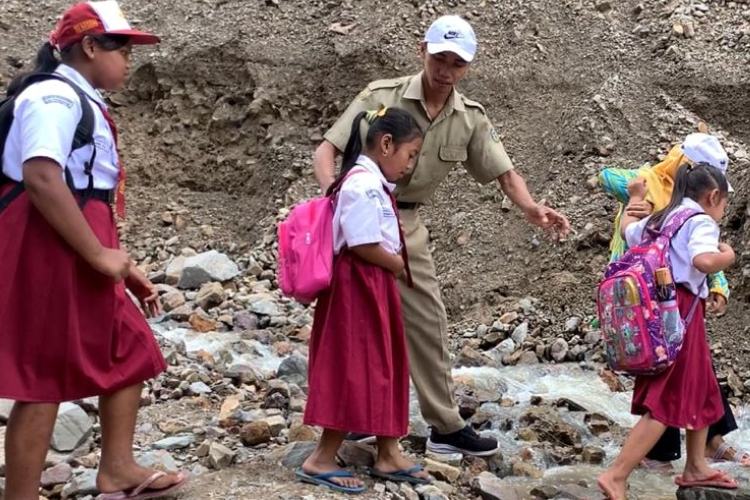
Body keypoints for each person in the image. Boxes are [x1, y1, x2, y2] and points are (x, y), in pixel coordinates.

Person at [313, 14, 570, 457]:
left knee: (428, 322)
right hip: (358, 221)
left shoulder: (467, 119)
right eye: (439, 58)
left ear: (468, 67)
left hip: (406, 226)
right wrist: (331, 199)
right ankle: (350, 421)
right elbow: (327, 149)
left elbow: (503, 172)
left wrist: (531, 208)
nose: (445, 70)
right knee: (355, 325)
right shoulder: (381, 96)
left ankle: (445, 426)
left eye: (456, 63)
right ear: (422, 50)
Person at [0, 2, 187, 499]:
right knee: (42, 373)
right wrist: (99, 256)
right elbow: (42, 177)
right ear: (88, 46)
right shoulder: (55, 99)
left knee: (130, 346)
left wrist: (118, 263)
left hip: (76, 236)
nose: (129, 61)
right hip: (49, 241)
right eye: (123, 49)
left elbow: (84, 191)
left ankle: (117, 467)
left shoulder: (77, 99)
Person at [297, 107, 430, 494]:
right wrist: (399, 267)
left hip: (373, 285)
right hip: (358, 287)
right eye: (411, 154)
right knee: (355, 366)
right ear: (386, 144)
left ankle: (389, 450)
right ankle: (321, 457)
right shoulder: (360, 185)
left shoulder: (371, 183)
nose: (410, 165)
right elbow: (363, 244)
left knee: (385, 362)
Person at [598, 133, 749, 469]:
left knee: (697, 381)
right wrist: (635, 196)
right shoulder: (689, 211)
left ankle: (697, 461)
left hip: (647, 303)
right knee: (668, 390)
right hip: (670, 305)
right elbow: (703, 259)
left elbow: (631, 231)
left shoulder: (667, 212)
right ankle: (630, 468)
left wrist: (718, 287)